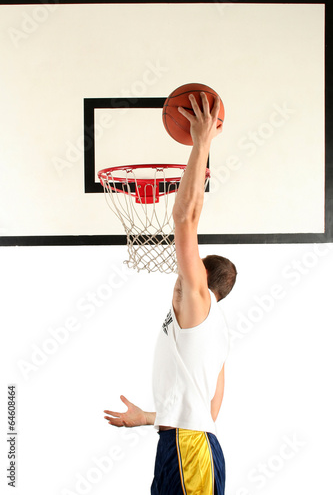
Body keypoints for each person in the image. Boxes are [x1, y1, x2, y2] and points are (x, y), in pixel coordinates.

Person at [103, 92, 237, 494]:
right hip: (185, 445)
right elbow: (205, 412)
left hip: (189, 451)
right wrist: (146, 417)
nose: (181, 271)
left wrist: (201, 143)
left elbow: (185, 217)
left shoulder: (196, 301)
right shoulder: (208, 333)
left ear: (201, 279)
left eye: (190, 268)